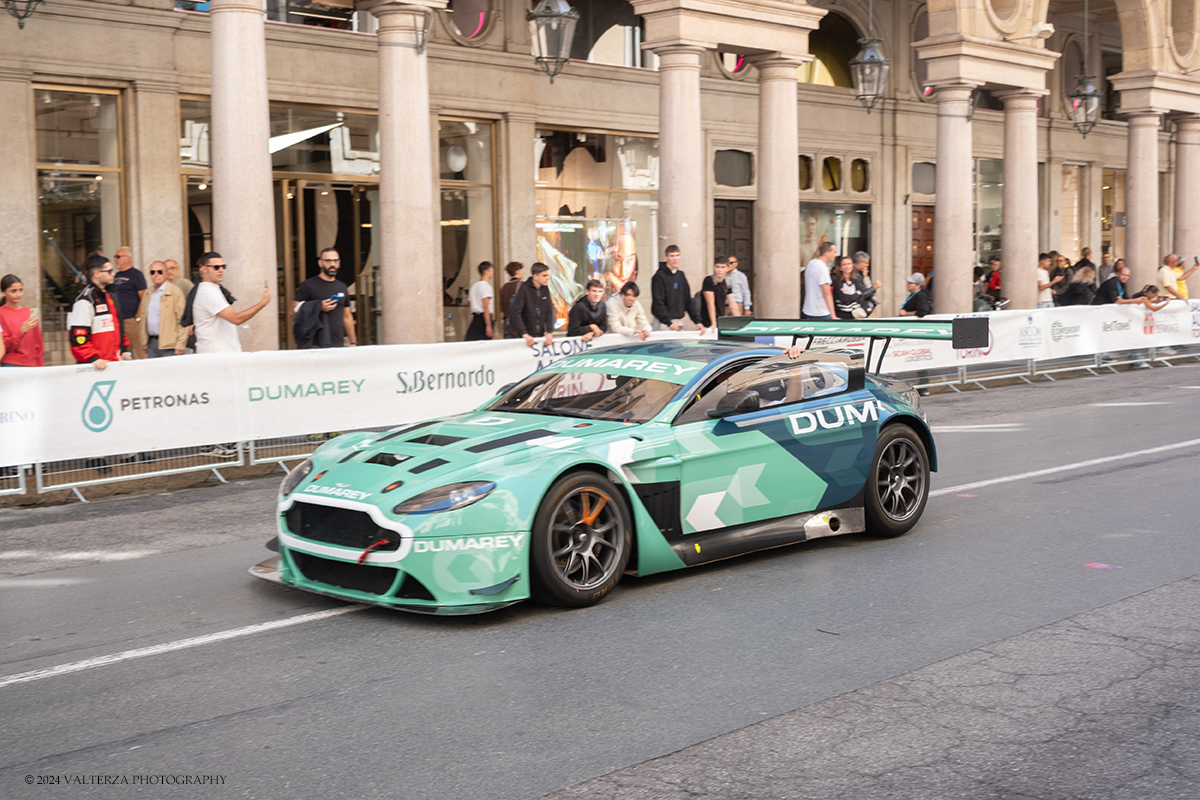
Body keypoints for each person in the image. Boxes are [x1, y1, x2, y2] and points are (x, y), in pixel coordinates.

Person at [192, 251, 271, 354]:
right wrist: (262, 303)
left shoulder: (212, 289)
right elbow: (236, 319)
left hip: (220, 354)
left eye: (222, 266)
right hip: (216, 355)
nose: (221, 270)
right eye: (216, 267)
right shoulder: (208, 292)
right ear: (204, 269)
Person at [68, 254, 130, 369]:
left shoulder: (109, 295)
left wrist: (124, 350)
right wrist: (93, 359)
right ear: (96, 274)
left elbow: (117, 326)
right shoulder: (85, 300)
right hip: (96, 367)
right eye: (109, 271)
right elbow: (78, 337)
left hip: (113, 363)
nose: (113, 274)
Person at [292, 247, 356, 348]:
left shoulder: (342, 287)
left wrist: (353, 342)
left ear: (339, 263)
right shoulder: (308, 285)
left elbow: (347, 317)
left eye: (335, 261)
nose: (332, 264)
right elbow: (292, 310)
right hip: (314, 344)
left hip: (338, 343)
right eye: (328, 261)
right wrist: (318, 306)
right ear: (320, 263)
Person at [134, 261, 187, 357]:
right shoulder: (147, 293)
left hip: (170, 345)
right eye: (152, 272)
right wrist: (144, 343)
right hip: (151, 343)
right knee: (152, 372)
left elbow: (182, 320)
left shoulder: (175, 292)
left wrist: (181, 344)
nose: (156, 275)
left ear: (166, 274)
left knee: (170, 372)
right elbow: (144, 318)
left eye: (159, 272)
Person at [651, 245, 705, 333]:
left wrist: (697, 321)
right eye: (672, 256)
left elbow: (688, 300)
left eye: (677, 255)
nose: (675, 259)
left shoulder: (681, 276)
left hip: (678, 322)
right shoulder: (659, 276)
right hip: (663, 323)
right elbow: (658, 303)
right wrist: (669, 323)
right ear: (666, 257)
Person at [0, 274, 45, 367]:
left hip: (32, 364)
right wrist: (21, 331)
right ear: (3, 292)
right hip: (11, 364)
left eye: (21, 290)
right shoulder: (1, 313)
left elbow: (38, 344)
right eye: (13, 291)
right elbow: (5, 347)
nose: (18, 294)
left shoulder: (29, 312)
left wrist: (41, 366)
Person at [111, 246, 147, 359]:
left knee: (140, 349)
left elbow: (144, 296)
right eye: (115, 257)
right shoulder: (115, 276)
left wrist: (138, 316)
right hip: (118, 320)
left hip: (131, 320)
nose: (115, 259)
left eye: (118, 256)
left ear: (127, 258)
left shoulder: (136, 275)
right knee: (125, 352)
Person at [509, 261, 555, 348]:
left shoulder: (545, 289)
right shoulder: (524, 289)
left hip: (540, 335)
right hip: (525, 337)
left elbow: (549, 311)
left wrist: (549, 332)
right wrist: (524, 333)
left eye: (548, 275)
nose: (547, 278)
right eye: (544, 275)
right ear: (535, 276)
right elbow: (516, 312)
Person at [802, 242, 837, 320]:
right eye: (834, 252)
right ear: (827, 253)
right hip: (821, 312)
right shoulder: (822, 268)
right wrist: (833, 315)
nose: (835, 255)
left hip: (809, 310)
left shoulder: (811, 263)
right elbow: (826, 293)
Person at [464, 261, 495, 341]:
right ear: (486, 272)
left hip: (475, 318)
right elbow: (485, 306)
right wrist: (488, 325)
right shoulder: (486, 287)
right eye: (491, 270)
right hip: (484, 319)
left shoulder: (474, 287)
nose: (493, 273)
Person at [699, 257, 730, 328]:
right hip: (707, 320)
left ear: (727, 269)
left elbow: (732, 303)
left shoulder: (727, 282)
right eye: (717, 267)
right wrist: (713, 323)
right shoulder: (709, 280)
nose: (719, 270)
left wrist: (738, 322)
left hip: (720, 319)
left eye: (723, 267)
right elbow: (710, 304)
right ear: (713, 267)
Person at [498, 262, 523, 338]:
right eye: (521, 270)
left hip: (507, 323)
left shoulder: (504, 287)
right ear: (517, 271)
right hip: (519, 322)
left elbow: (501, 305)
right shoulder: (523, 285)